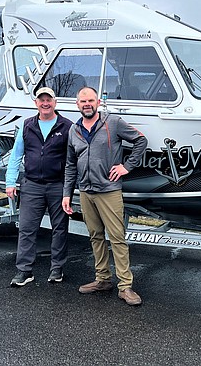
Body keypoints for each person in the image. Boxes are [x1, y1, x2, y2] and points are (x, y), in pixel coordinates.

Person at [62, 86, 148, 306]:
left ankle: (125, 286)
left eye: (91, 100)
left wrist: (126, 166)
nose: (87, 104)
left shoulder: (113, 123)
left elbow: (140, 141)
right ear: (77, 104)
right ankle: (102, 279)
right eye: (83, 101)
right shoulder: (74, 130)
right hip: (86, 192)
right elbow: (71, 164)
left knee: (117, 238)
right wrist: (67, 194)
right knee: (95, 236)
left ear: (98, 102)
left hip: (109, 191)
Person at [6, 87, 73, 287]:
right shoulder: (27, 125)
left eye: (49, 100)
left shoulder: (67, 126)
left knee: (59, 229)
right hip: (32, 185)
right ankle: (24, 271)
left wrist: (69, 189)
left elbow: (72, 159)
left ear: (55, 102)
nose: (45, 103)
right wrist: (11, 182)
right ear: (36, 103)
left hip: (57, 186)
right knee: (27, 228)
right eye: (41, 100)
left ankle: (57, 269)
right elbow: (16, 155)